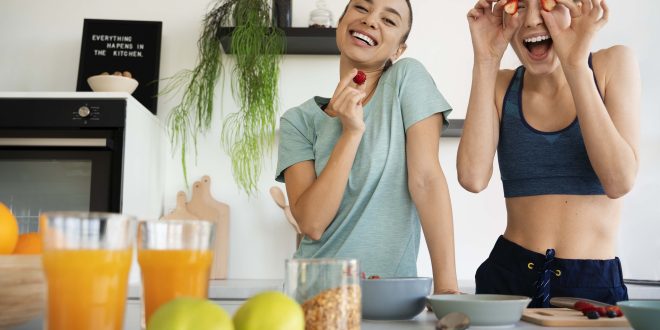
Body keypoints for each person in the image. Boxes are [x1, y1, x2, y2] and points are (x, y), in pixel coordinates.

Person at [459, 0, 640, 307]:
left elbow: (619, 181)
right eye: (519, 5)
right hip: (508, 276)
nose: (531, 20)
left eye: (548, 3)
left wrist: (575, 64)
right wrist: (486, 60)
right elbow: (472, 177)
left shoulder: (613, 64)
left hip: (591, 284)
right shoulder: (502, 85)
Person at [276, 0, 459, 294]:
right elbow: (311, 223)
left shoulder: (406, 79)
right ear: (341, 22)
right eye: (361, 8)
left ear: (398, 50)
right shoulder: (297, 121)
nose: (371, 20)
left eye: (389, 20)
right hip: (312, 294)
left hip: (388, 297)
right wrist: (351, 132)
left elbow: (426, 180)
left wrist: (447, 288)